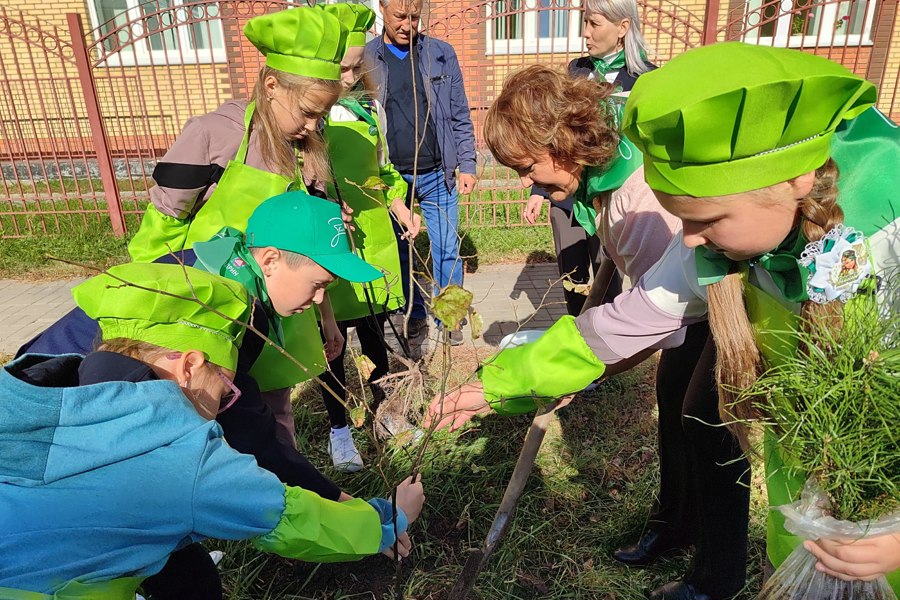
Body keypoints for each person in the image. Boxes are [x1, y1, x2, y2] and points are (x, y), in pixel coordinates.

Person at [427, 43, 900, 599]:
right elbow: (630, 320)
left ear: (793, 183)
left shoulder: (883, 242)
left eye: (705, 222)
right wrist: (499, 384)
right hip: (808, 498)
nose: (691, 242)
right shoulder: (737, 235)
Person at [16, 192, 392, 597]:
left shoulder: (214, 265)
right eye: (318, 285)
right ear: (269, 260)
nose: (320, 300)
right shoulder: (221, 312)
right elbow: (263, 485)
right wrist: (363, 516)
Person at [487, 64, 736, 595]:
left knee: (706, 421)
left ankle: (716, 573)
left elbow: (652, 317)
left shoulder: (638, 202)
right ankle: (677, 523)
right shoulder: (602, 178)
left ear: (563, 142)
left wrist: (579, 371)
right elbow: (618, 274)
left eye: (529, 166)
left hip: (715, 309)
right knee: (677, 403)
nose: (526, 181)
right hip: (681, 301)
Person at [126, 6, 350, 449]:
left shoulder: (307, 152)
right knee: (213, 425)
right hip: (210, 316)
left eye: (321, 116)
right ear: (271, 86)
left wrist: (329, 320)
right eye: (307, 112)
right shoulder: (213, 136)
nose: (312, 127)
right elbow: (162, 227)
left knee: (274, 420)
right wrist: (152, 310)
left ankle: (286, 499)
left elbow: (319, 257)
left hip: (278, 320)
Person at [316, 2, 422, 472]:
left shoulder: (367, 108)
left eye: (355, 66)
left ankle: (389, 414)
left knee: (377, 332)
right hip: (328, 242)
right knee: (330, 343)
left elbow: (383, 169)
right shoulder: (307, 117)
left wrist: (399, 204)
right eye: (339, 67)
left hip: (373, 238)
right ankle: (341, 430)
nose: (348, 76)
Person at [524, 0, 655, 316]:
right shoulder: (577, 71)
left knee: (608, 278)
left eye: (594, 24)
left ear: (622, 27)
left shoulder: (646, 79)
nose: (586, 33)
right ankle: (578, 335)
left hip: (613, 201)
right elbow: (554, 135)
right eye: (585, 22)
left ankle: (609, 350)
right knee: (572, 276)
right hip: (568, 199)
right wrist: (539, 191)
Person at [365, 0, 477, 345]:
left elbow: (459, 112)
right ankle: (413, 315)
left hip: (438, 173)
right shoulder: (367, 59)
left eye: (415, 17)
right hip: (391, 177)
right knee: (402, 251)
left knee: (446, 247)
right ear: (383, 8)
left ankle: (450, 317)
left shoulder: (440, 54)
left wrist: (467, 163)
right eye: (400, 16)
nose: (408, 25)